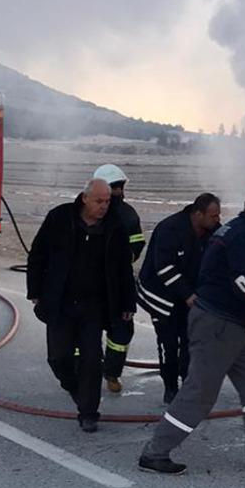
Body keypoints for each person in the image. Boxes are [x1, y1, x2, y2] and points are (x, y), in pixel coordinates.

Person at [139, 188, 245, 475]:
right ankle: (154, 453)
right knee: (199, 395)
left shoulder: (242, 230)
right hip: (217, 325)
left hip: (233, 325)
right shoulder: (242, 238)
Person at [26, 178, 137, 432]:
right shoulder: (59, 218)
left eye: (107, 201)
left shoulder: (115, 226)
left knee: (91, 360)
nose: (104, 206)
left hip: (94, 306)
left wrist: (127, 303)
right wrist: (35, 291)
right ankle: (73, 387)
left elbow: (124, 269)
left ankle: (89, 412)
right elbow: (38, 255)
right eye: (99, 201)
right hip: (61, 302)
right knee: (59, 357)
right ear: (85, 198)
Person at [136, 192, 222, 403]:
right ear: (198, 214)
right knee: (169, 342)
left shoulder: (213, 231)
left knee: (190, 339)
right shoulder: (170, 229)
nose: (217, 219)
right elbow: (164, 268)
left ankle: (188, 382)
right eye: (214, 216)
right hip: (161, 294)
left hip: (189, 295)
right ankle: (170, 387)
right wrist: (188, 295)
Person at [91, 163, 146, 394]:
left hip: (119, 284)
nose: (118, 192)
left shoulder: (128, 215)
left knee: (121, 332)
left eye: (120, 187)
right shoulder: (85, 212)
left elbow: (137, 244)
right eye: (114, 187)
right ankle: (84, 370)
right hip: (89, 284)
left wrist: (120, 260)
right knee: (85, 330)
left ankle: (112, 373)